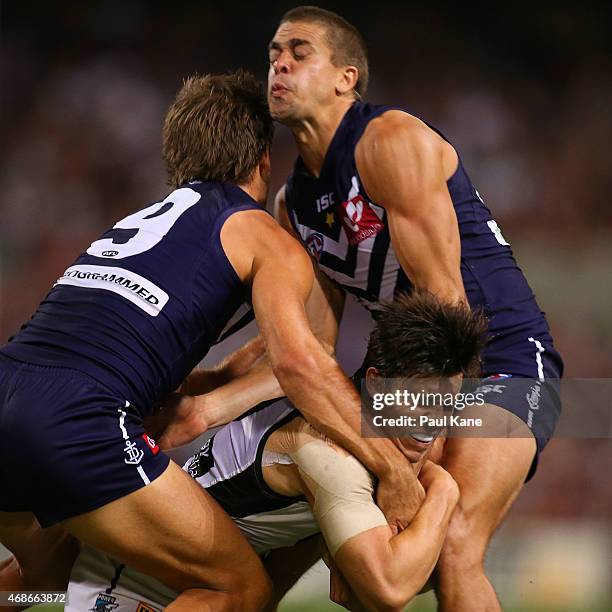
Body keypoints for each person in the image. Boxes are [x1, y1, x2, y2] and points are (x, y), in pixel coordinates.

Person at [0, 70, 416, 611]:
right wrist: (390, 466)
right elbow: (300, 364)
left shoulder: (141, 223)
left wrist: (211, 391)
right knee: (237, 589)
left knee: (46, 575)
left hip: (10, 390)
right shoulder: (258, 232)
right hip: (77, 420)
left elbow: (120, 344)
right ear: (264, 161)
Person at [265, 6, 564, 610]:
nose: (279, 64)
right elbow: (312, 350)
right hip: (410, 380)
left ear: (345, 78)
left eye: (299, 52)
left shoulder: (391, 141)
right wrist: (201, 401)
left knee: (452, 543)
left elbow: (448, 306)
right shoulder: (292, 205)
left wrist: (409, 456)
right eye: (272, 53)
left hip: (498, 358)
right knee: (354, 581)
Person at [65, 291, 488, 612]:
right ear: (376, 383)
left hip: (196, 589)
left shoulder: (366, 431)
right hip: (128, 591)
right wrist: (445, 490)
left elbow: (347, 592)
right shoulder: (325, 453)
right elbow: (388, 590)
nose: (432, 421)